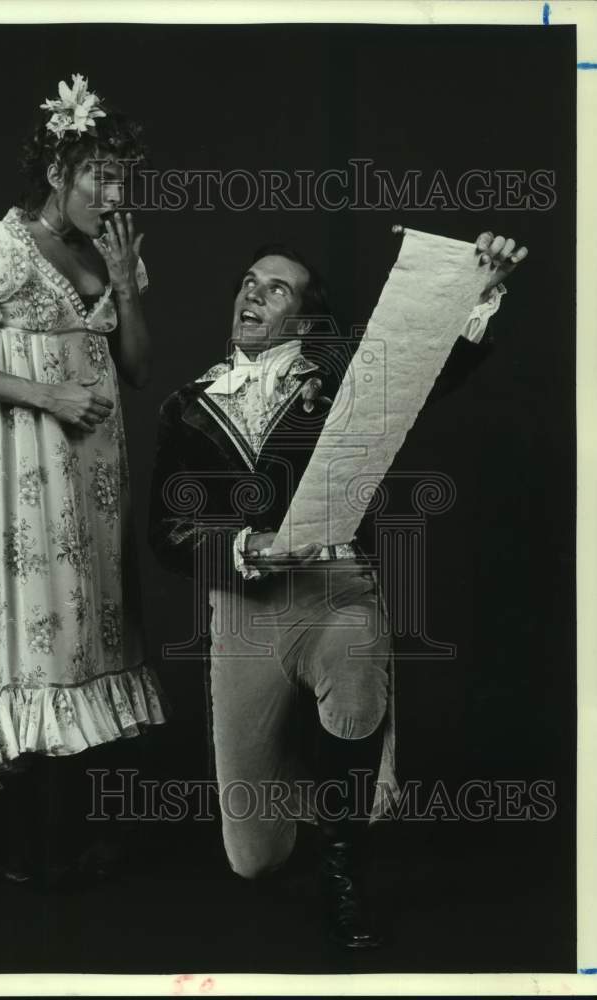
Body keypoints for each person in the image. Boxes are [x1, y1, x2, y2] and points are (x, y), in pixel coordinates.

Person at [148, 232, 526, 947]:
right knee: (254, 860)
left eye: (276, 287)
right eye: (248, 280)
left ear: (304, 320)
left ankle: (342, 862)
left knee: (355, 696)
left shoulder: (342, 373)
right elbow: (165, 534)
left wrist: (478, 283)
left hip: (337, 587)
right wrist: (245, 545)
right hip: (243, 613)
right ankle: (316, 791)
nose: (251, 293)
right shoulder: (188, 406)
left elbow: (430, 362)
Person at [0, 74, 166, 882]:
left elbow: (136, 371)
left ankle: (63, 830)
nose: (113, 192)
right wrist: (46, 393)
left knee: (88, 636)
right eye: (100, 175)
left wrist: (125, 288)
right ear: (58, 170)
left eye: (123, 177)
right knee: (31, 636)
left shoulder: (107, 252)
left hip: (94, 481)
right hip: (28, 474)